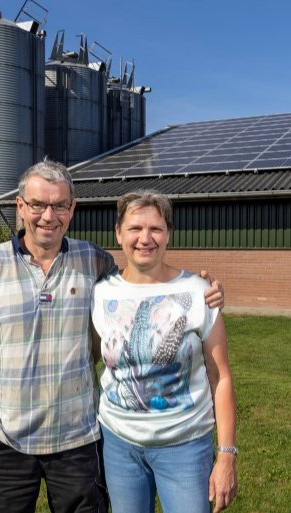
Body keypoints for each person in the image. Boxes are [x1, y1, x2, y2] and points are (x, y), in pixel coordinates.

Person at [0, 159, 224, 513]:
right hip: (5, 438)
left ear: (72, 209)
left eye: (60, 205)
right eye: (38, 205)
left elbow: (140, 277)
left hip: (78, 440)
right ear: (20, 206)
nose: (49, 216)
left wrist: (201, 290)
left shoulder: (92, 261)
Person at [91, 190, 238, 513]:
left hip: (184, 447)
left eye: (155, 228)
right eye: (135, 228)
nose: (145, 238)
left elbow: (220, 377)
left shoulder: (199, 293)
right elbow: (92, 357)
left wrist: (226, 454)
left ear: (168, 233)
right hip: (119, 445)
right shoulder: (100, 294)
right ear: (118, 233)